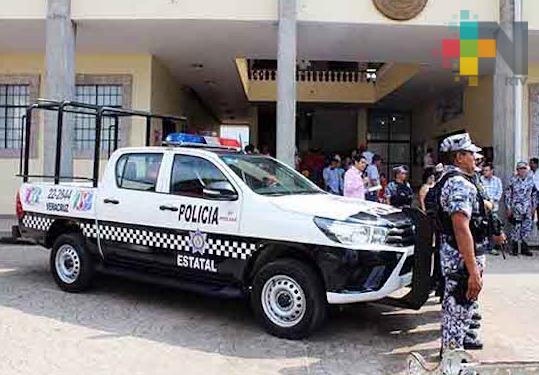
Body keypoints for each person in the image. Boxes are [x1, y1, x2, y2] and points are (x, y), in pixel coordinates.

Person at [437, 133, 506, 352]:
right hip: (461, 256)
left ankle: (454, 350)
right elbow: (461, 227)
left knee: (459, 305)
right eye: (471, 154)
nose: (476, 158)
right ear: (459, 157)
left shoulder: (453, 180)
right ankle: (452, 359)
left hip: (457, 253)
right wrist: (473, 270)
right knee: (458, 307)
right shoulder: (459, 184)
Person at [505, 161, 536, 256]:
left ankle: (524, 247)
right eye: (520, 169)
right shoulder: (512, 180)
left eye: (524, 168)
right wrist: (508, 208)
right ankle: (514, 247)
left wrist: (534, 207)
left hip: (528, 207)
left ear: (527, 170)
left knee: (526, 227)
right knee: (516, 227)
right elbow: (507, 195)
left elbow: (534, 194)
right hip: (516, 207)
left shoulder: (531, 180)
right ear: (517, 170)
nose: (522, 171)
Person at [480, 163, 503, 256]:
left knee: (494, 227)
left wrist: (493, 201)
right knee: (482, 227)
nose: (484, 172)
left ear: (491, 171)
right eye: (484, 170)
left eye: (487, 170)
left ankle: (492, 247)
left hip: (493, 208)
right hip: (483, 208)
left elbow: (499, 192)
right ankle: (482, 247)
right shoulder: (480, 180)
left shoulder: (497, 181)